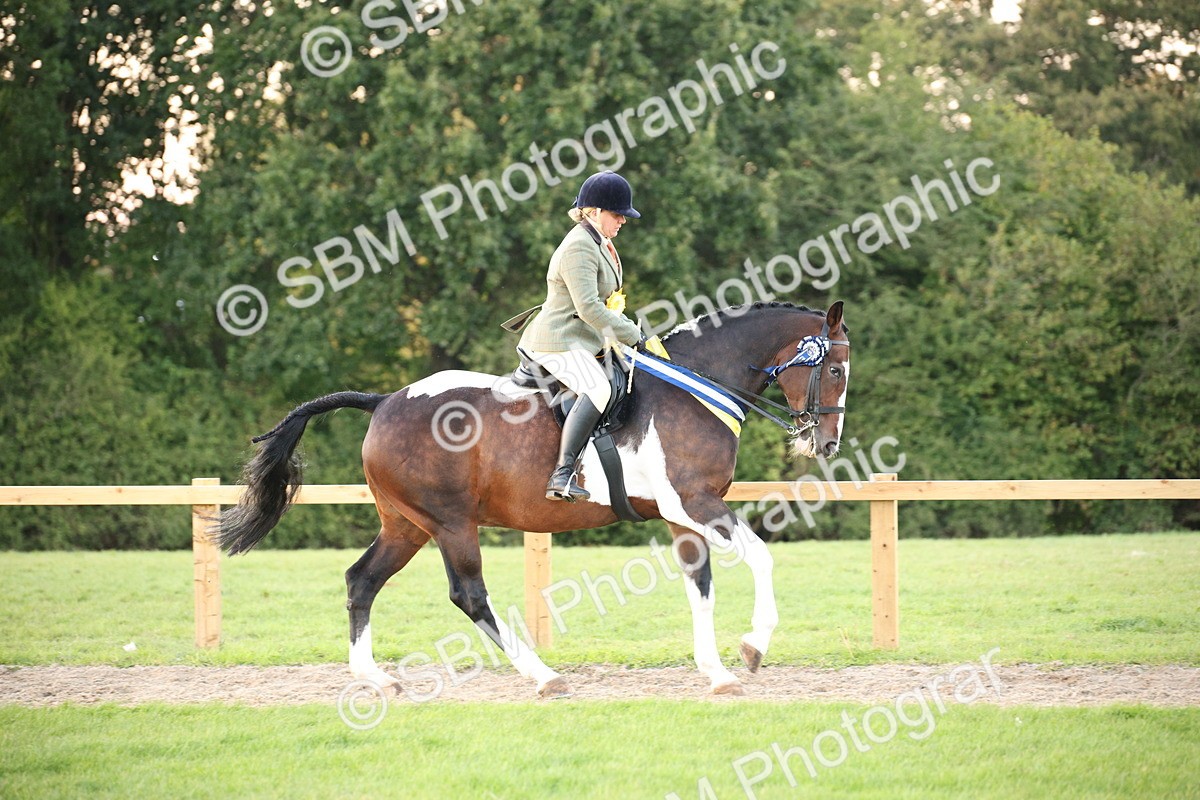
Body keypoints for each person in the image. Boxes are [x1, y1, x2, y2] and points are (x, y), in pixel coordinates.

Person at [514, 170, 664, 502]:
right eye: (617, 214)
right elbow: (590, 309)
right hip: (557, 340)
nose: (623, 220)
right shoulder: (578, 246)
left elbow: (609, 303)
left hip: (586, 339)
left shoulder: (602, 243)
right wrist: (634, 335)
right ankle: (562, 475)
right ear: (593, 211)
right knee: (598, 387)